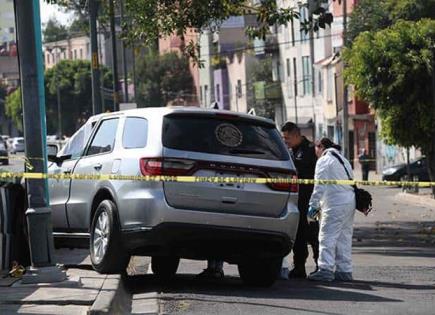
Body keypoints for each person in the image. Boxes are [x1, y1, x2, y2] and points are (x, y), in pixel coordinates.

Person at [307, 138, 356, 282]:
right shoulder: (343, 159)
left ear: (321, 147)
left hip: (335, 203)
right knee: (344, 237)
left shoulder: (324, 160)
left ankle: (325, 269)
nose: (314, 152)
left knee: (326, 236)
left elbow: (319, 186)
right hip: (349, 202)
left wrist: (313, 208)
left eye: (315, 148)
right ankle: (344, 271)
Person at [281, 122, 319, 279]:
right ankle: (299, 267)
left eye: (287, 138)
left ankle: (321, 266)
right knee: (299, 235)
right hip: (296, 200)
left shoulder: (311, 150)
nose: (285, 141)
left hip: (312, 201)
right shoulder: (289, 151)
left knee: (314, 233)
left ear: (297, 135)